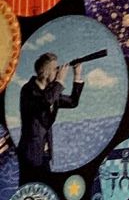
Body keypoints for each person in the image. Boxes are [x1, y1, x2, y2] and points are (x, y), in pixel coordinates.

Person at [18, 52, 84, 181]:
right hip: (30, 156)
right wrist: (60, 81)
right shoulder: (28, 90)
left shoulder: (52, 93)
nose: (58, 72)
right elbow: (45, 101)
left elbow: (73, 102)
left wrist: (77, 75)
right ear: (46, 72)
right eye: (55, 69)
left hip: (45, 155)